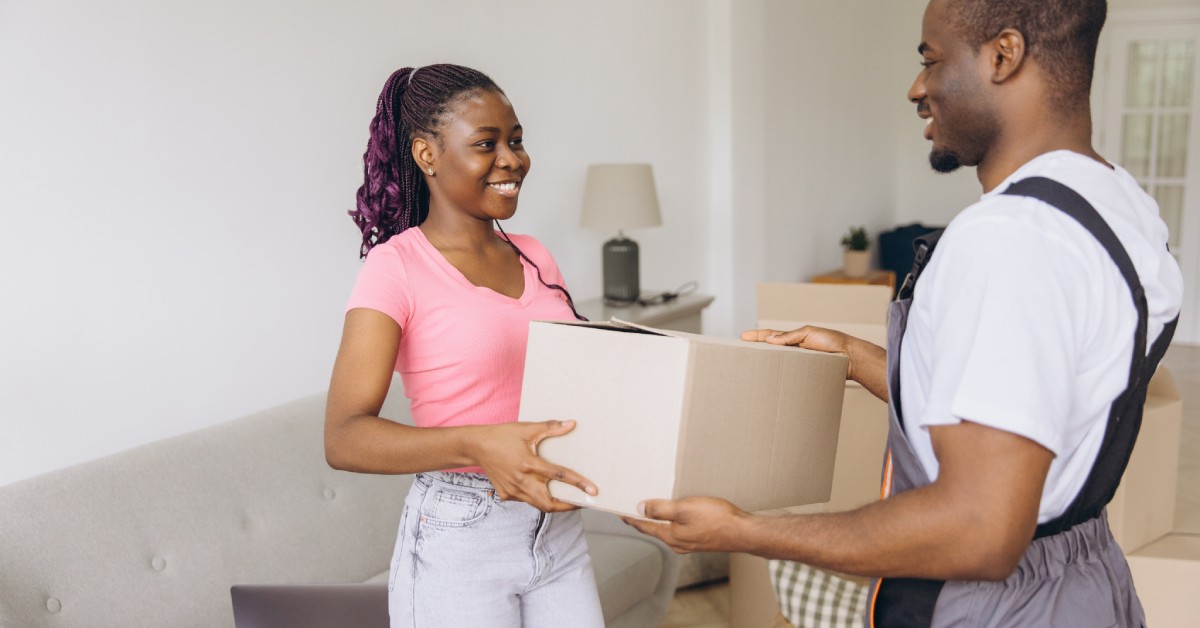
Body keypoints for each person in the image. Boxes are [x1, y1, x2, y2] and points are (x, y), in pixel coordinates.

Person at [624, 0, 1184, 626]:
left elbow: (977, 529)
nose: (918, 88)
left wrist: (745, 531)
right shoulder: (1119, 204)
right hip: (1087, 582)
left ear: (1004, 55)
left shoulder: (1009, 237)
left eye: (931, 60)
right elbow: (1048, 401)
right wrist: (864, 360)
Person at [324, 64, 605, 628]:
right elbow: (344, 437)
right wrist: (480, 443)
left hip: (559, 531)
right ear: (427, 154)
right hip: (461, 533)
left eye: (517, 140)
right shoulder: (395, 268)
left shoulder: (534, 255)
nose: (513, 160)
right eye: (486, 143)